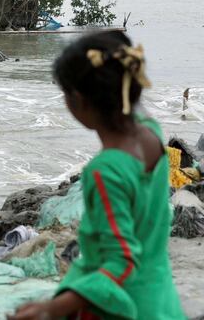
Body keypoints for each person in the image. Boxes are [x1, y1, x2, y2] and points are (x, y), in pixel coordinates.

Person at [10, 31, 185, 320]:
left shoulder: (105, 172)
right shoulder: (150, 131)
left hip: (124, 305)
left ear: (78, 100)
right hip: (160, 296)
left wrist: (51, 308)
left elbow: (121, 262)